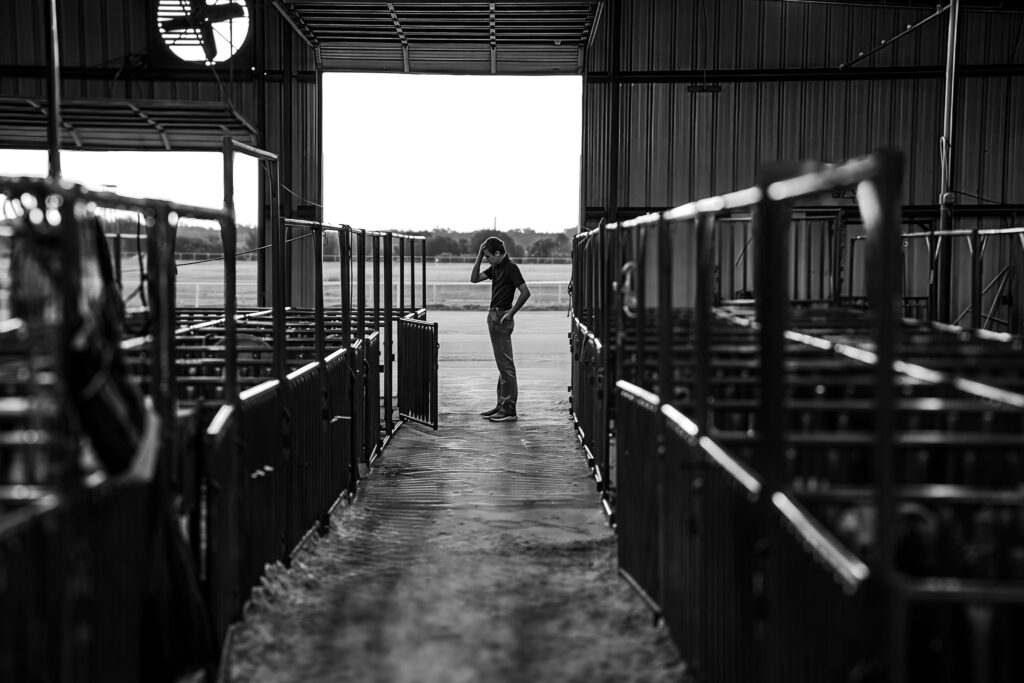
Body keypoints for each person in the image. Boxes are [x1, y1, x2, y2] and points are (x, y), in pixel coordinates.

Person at [470, 236, 531, 422]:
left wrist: (511, 313)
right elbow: (474, 279)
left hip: (502, 316)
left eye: (488, 255)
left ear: (498, 253)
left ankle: (509, 410)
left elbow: (526, 292)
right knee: (502, 365)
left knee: (506, 367)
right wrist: (479, 256)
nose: (487, 259)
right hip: (493, 316)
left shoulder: (511, 267)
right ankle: (501, 405)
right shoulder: (496, 266)